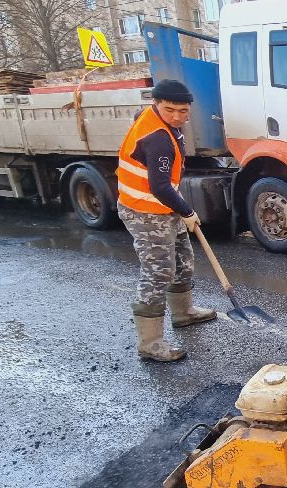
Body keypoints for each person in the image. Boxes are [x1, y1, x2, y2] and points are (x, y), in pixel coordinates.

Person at [117, 79, 216, 362]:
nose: (176, 116)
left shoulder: (154, 119)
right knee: (159, 271)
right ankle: (150, 344)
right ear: (156, 105)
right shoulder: (158, 139)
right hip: (144, 210)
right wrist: (187, 211)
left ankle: (183, 313)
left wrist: (178, 211)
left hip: (163, 207)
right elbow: (160, 187)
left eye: (183, 111)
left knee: (183, 260)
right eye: (169, 109)